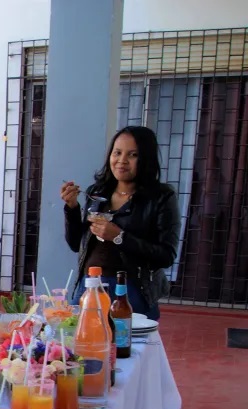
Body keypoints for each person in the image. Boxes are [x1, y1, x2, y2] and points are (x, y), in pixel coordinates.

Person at [61, 125, 179, 320]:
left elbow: (166, 256)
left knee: (126, 340)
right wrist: (72, 208)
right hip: (90, 285)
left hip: (131, 290)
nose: (122, 160)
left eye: (132, 155)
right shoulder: (97, 192)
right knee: (80, 337)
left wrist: (119, 237)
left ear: (146, 159)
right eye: (117, 153)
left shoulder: (161, 197)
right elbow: (75, 244)